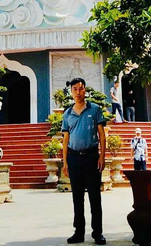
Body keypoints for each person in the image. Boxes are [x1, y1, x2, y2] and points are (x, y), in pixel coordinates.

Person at [62, 78, 107, 245]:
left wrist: (102, 156)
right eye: (75, 89)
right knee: (77, 197)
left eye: (81, 88)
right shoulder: (67, 114)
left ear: (85, 90)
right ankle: (79, 232)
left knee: (95, 197)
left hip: (91, 157)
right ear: (71, 91)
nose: (78, 92)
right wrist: (65, 161)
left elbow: (101, 134)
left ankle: (98, 233)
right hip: (74, 158)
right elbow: (65, 139)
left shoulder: (95, 109)